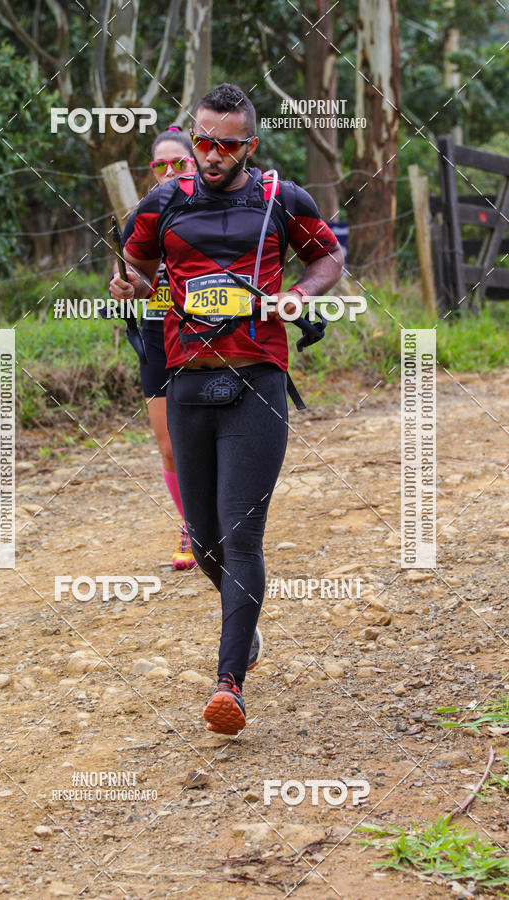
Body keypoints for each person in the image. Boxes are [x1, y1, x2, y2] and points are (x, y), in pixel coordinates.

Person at [111, 84, 344, 735]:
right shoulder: (165, 202)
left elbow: (328, 254)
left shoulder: (278, 198)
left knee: (242, 535)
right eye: (203, 142)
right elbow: (136, 258)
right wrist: (133, 285)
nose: (211, 156)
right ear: (194, 136)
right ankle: (247, 634)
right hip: (187, 386)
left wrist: (298, 293)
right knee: (206, 538)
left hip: (256, 388)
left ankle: (228, 684)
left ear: (250, 145)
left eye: (226, 145)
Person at [130, 126, 197, 569]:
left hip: (203, 336)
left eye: (180, 163)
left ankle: (225, 519)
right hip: (156, 335)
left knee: (206, 439)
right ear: (152, 171)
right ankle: (190, 525)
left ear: (194, 164)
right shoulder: (144, 215)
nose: (170, 172)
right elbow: (134, 277)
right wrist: (126, 287)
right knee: (169, 446)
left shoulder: (214, 210)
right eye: (161, 165)